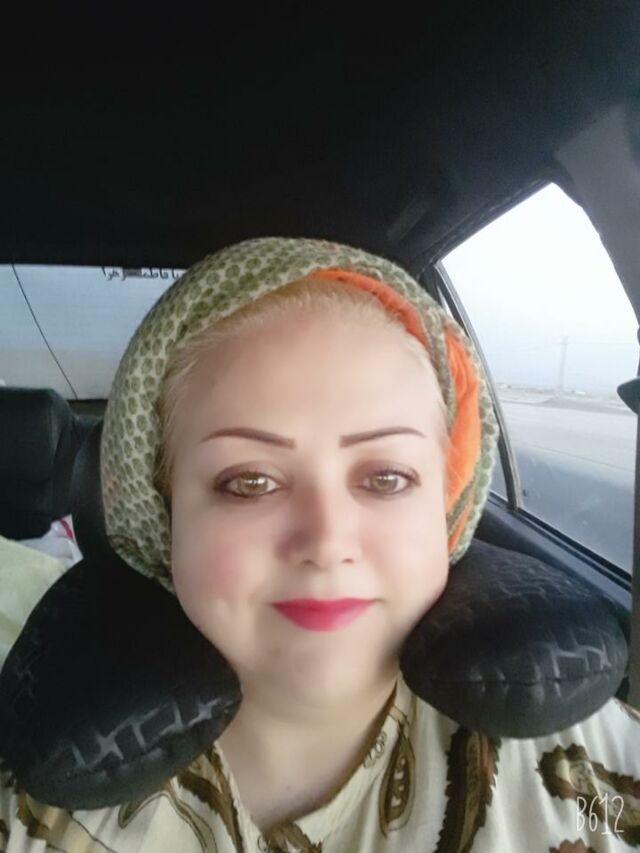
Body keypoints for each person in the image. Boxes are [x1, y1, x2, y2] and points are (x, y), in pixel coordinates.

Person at [1, 237, 639, 852]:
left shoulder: (602, 773)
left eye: (386, 478)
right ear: (164, 519)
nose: (327, 542)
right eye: (250, 482)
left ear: (448, 513)